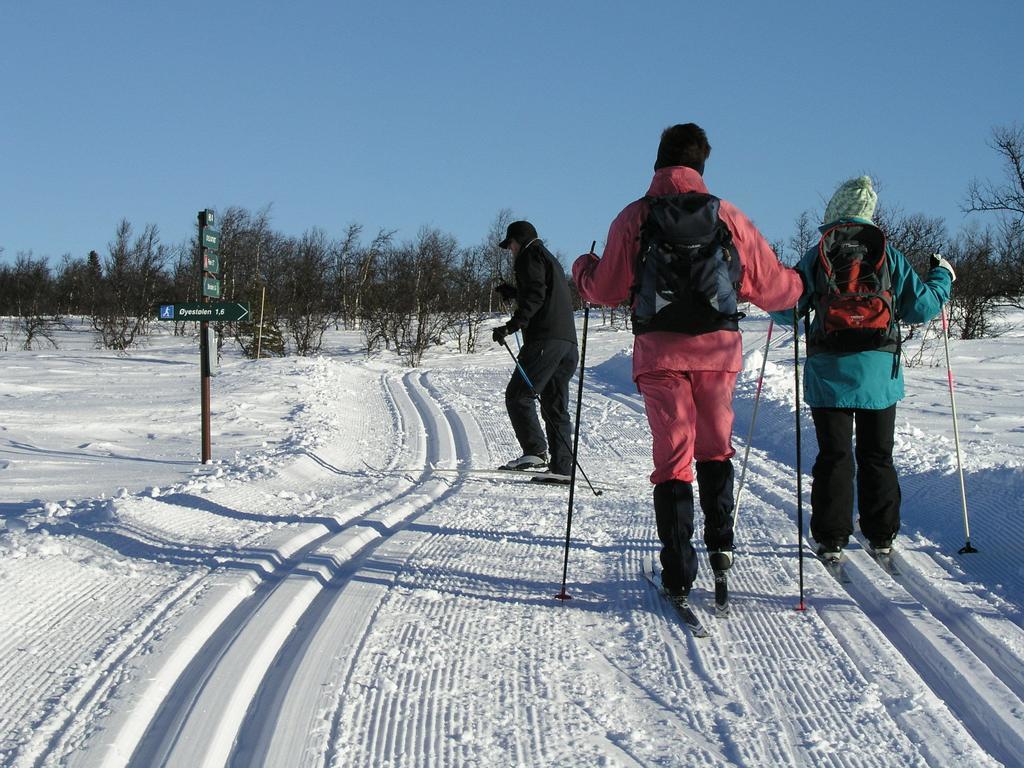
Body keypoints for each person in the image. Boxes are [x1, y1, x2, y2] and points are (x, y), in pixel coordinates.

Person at [572, 123, 804, 597]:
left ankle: (678, 570)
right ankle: (722, 546)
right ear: (702, 165)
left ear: (657, 162)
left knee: (673, 456)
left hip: (659, 351)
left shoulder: (633, 217)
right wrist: (801, 283)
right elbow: (774, 288)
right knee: (716, 446)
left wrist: (582, 269)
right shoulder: (728, 216)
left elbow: (606, 289)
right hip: (717, 351)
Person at [772, 175, 954, 562]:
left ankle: (831, 539)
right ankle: (881, 534)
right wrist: (943, 277)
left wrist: (774, 283)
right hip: (878, 372)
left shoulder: (818, 253)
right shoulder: (887, 254)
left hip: (828, 371)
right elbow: (920, 307)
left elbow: (788, 308)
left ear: (834, 210)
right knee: (877, 455)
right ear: (869, 211)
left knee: (835, 456)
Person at [492, 220, 579, 484]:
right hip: (567, 343)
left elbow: (536, 296)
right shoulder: (548, 258)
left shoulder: (529, 256)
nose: (511, 251)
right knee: (555, 405)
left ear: (519, 241)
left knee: (519, 395)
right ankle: (562, 468)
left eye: (511, 245)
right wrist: (516, 293)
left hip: (545, 341)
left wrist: (514, 324)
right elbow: (541, 292)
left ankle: (534, 452)